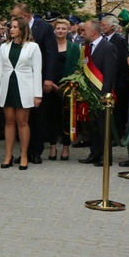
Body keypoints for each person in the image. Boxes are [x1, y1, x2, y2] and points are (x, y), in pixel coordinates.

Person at [0, 17, 42, 171]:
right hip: (7, 87)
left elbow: (37, 71)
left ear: (22, 29)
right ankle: (8, 155)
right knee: (9, 121)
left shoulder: (33, 47)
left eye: (14, 27)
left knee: (22, 121)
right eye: (10, 27)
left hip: (25, 87)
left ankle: (24, 155)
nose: (11, 29)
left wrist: (37, 94)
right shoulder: (4, 47)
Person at [10, 3, 57, 165]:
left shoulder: (44, 28)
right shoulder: (15, 30)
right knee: (23, 119)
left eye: (15, 16)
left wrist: (49, 78)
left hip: (39, 79)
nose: (12, 20)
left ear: (26, 15)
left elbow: (51, 54)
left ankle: (36, 151)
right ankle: (24, 151)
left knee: (38, 117)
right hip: (21, 81)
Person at [78, 20, 117, 166]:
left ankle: (106, 157)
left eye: (84, 31)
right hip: (90, 94)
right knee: (92, 127)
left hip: (101, 95)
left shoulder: (108, 47)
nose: (82, 33)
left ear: (93, 32)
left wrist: (105, 94)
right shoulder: (87, 47)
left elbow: (110, 73)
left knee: (103, 127)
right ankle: (94, 154)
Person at [46, 19, 79, 161]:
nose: (60, 31)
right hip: (50, 86)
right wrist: (50, 82)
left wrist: (66, 84)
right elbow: (45, 65)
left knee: (66, 118)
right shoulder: (48, 46)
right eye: (58, 28)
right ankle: (52, 147)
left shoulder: (74, 47)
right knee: (51, 118)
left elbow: (75, 67)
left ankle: (66, 148)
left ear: (68, 30)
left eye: (63, 29)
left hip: (67, 87)